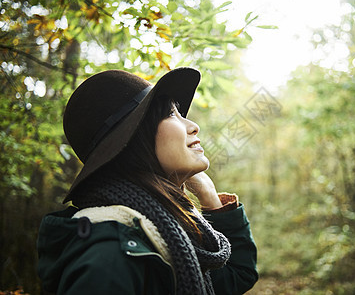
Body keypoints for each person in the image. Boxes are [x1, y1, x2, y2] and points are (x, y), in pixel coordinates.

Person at [37, 68, 258, 294]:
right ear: (133, 139)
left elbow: (236, 276)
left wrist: (209, 195)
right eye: (171, 114)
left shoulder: (165, 227)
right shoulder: (110, 254)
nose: (193, 126)